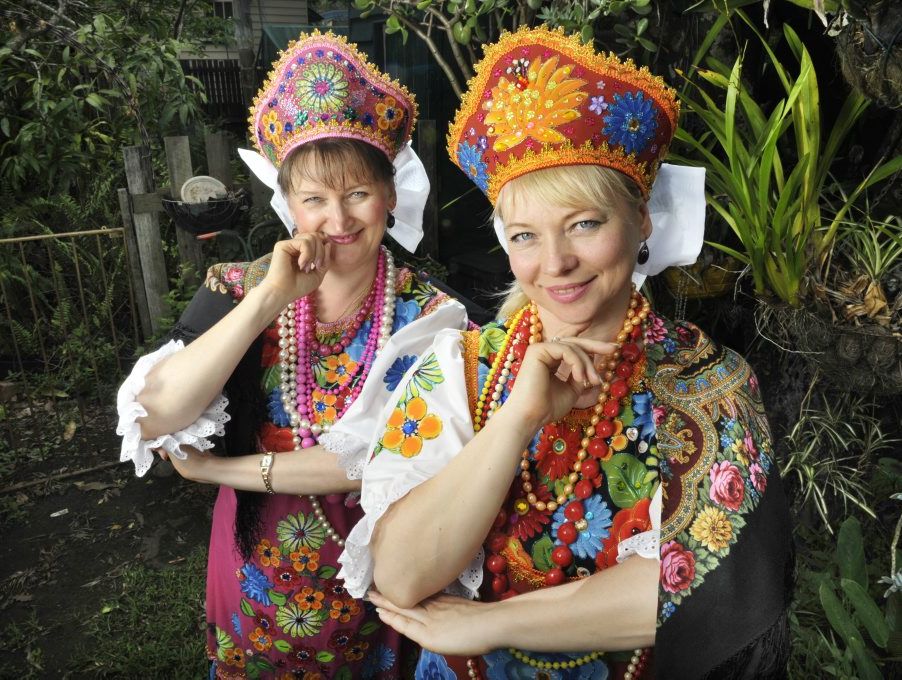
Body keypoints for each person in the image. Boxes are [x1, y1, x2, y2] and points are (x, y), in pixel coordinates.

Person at [336, 26, 794, 680]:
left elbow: (698, 577)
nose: (556, 263)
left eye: (584, 223)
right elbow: (403, 576)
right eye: (526, 235)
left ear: (641, 223)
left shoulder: (707, 381)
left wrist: (489, 622)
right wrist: (517, 419)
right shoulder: (459, 369)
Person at [116, 31, 467, 679]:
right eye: (314, 199)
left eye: (358, 192)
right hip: (251, 560)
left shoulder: (430, 315)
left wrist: (215, 472)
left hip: (378, 562)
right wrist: (269, 297)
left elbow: (375, 459)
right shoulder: (237, 289)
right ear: (288, 206)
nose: (338, 218)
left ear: (390, 197)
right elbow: (157, 415)